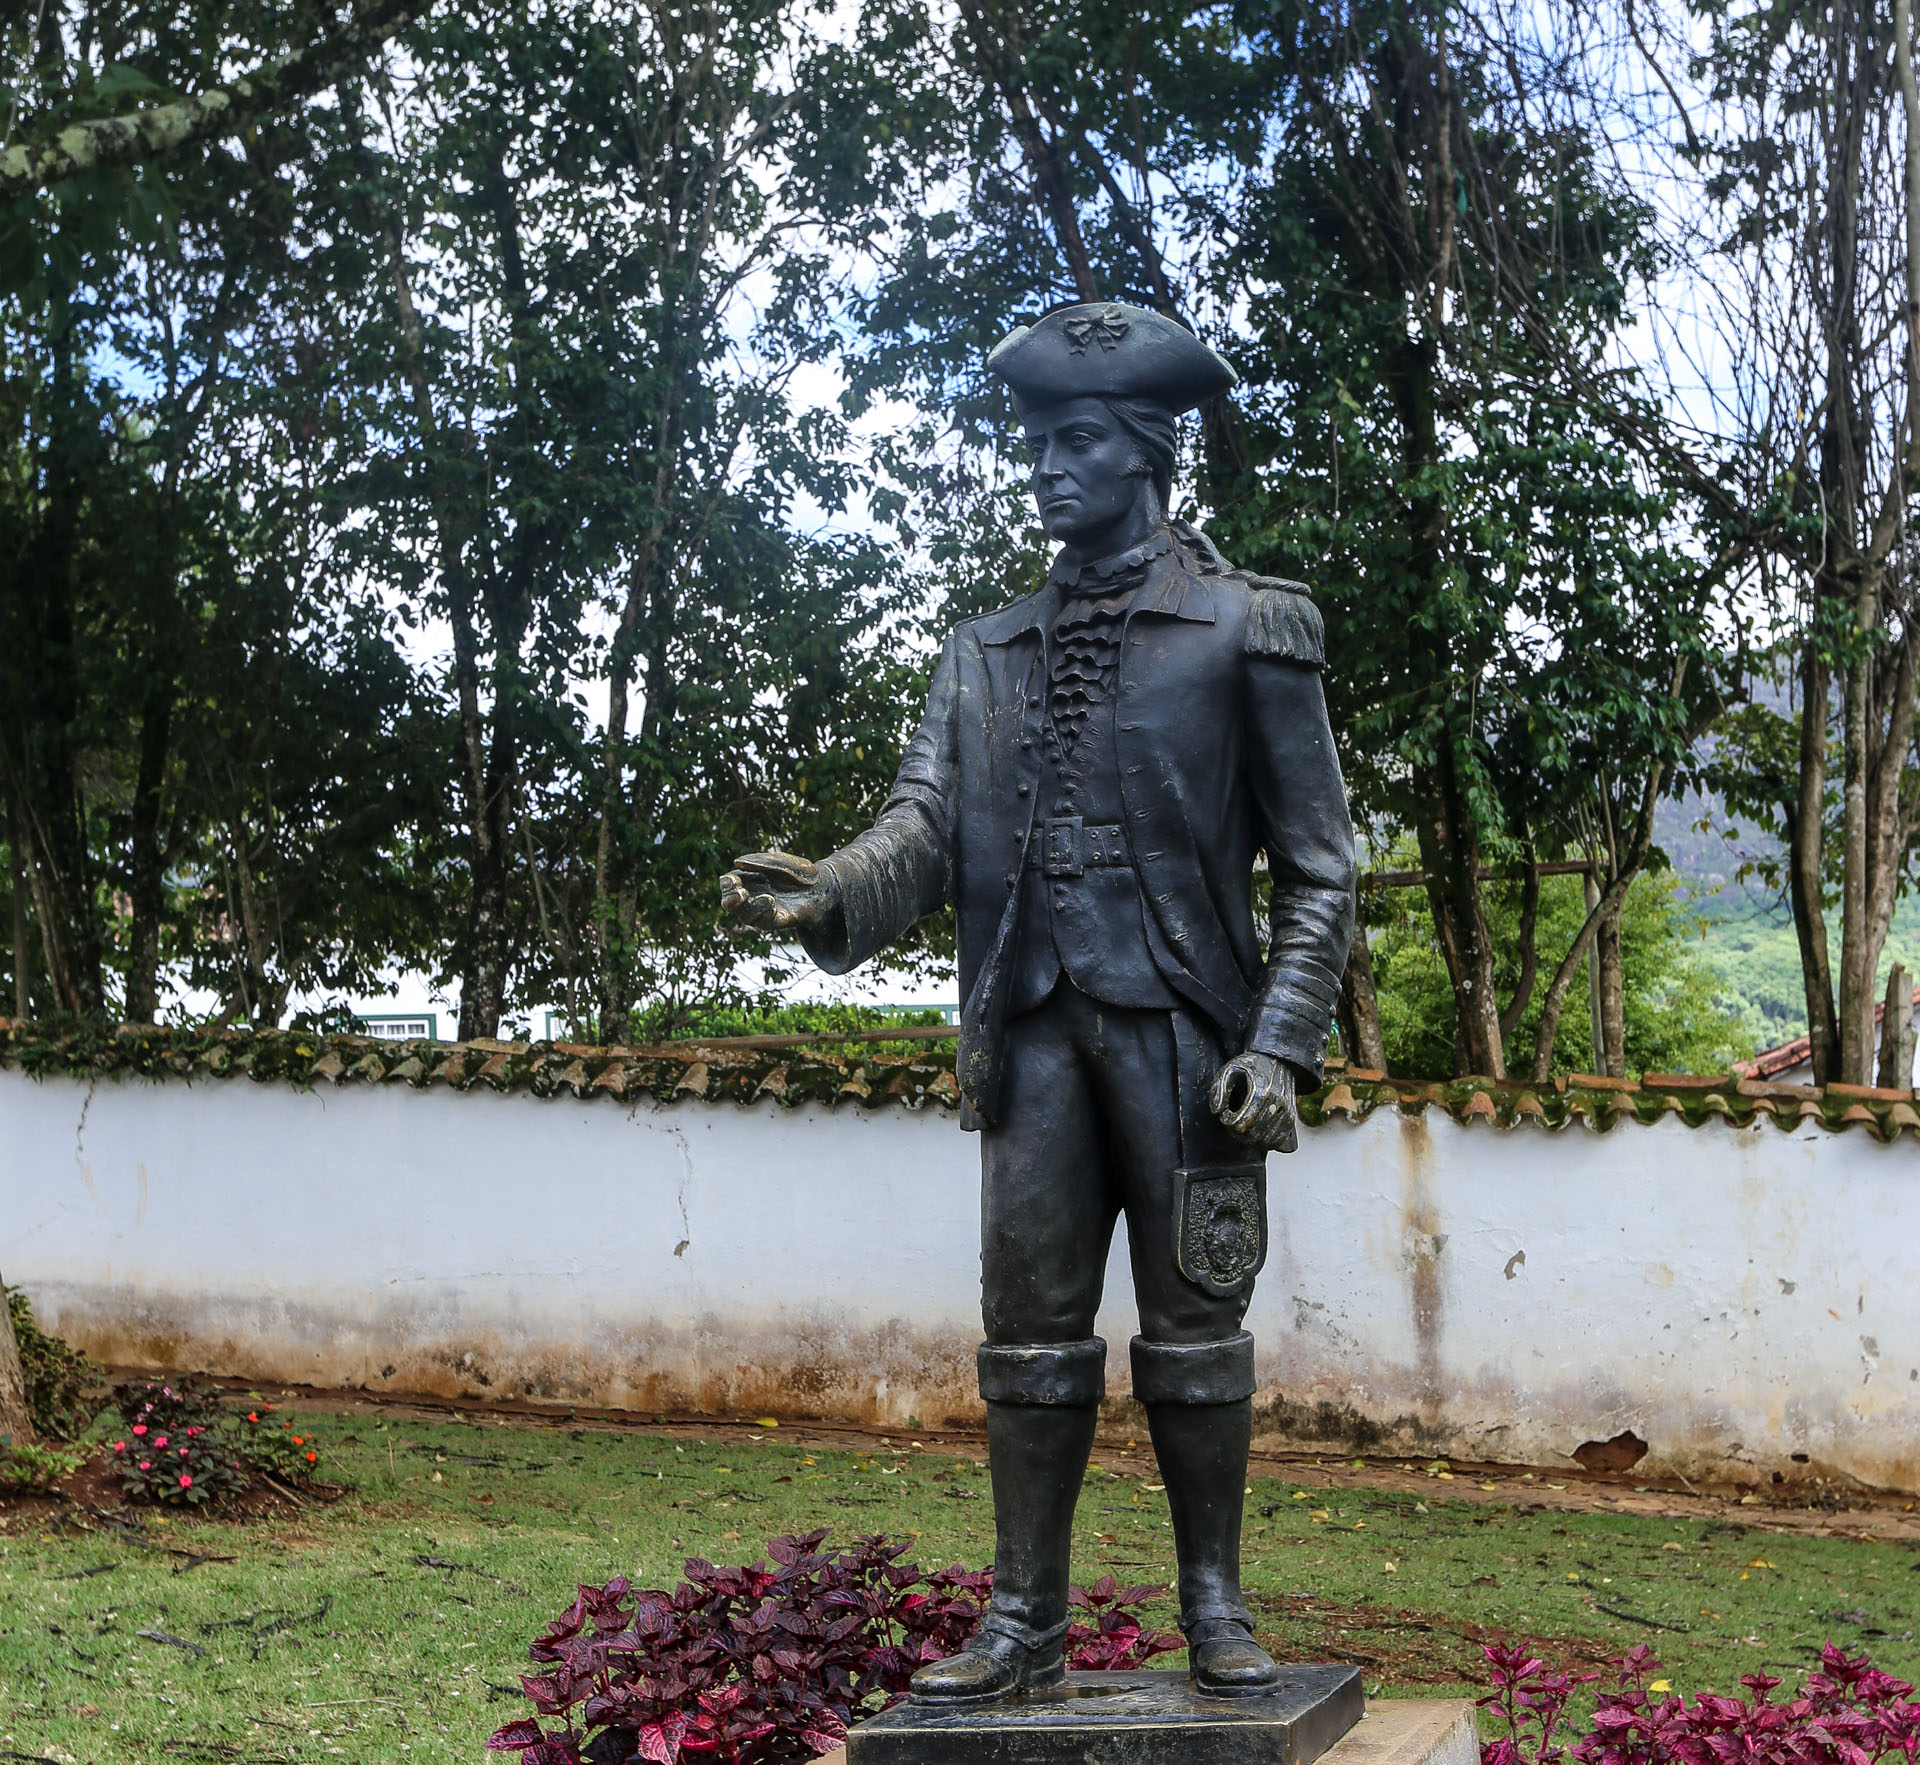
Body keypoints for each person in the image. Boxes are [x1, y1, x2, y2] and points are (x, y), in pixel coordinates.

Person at [720, 301, 1355, 1704]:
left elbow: (1323, 869)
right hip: (1034, 1042)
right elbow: (921, 827)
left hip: (1191, 1045)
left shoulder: (1249, 630)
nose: (1044, 471)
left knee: (1198, 1337)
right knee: (1028, 1340)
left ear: (1141, 457)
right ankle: (1023, 1617)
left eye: (1074, 444)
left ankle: (1215, 1604)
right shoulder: (982, 654)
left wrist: (1280, 1044)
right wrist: (830, 892)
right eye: (1037, 445)